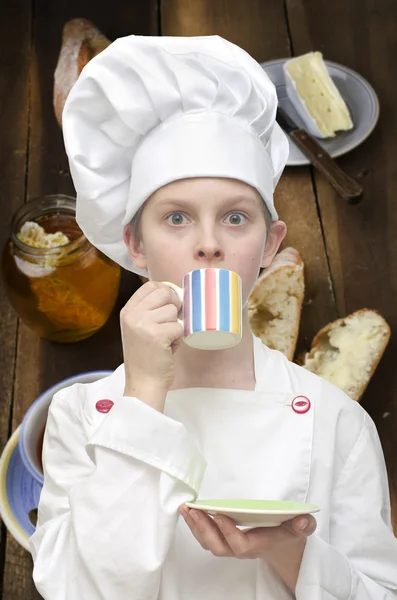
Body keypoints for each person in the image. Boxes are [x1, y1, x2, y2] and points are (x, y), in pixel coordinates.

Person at [29, 35, 397, 600]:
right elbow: (81, 590)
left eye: (235, 217)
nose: (208, 244)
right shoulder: (81, 417)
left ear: (269, 244)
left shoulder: (339, 423)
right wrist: (146, 389)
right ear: (136, 246)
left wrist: (285, 548)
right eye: (176, 218)